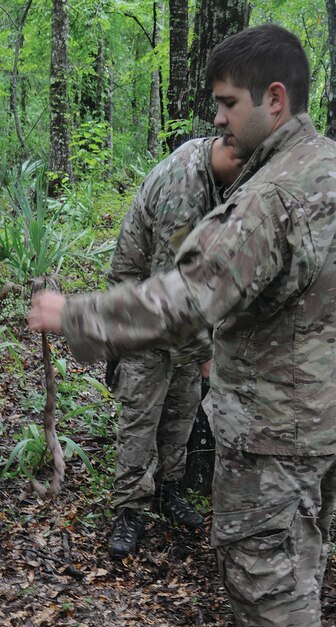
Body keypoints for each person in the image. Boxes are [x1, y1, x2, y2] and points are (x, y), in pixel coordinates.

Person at [29, 24, 336, 627]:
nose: (218, 118)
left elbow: (189, 298)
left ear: (275, 98)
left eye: (228, 102)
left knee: (264, 561)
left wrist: (76, 316)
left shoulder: (274, 195)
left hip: (278, 420)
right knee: (301, 547)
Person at [104, 137, 242, 558]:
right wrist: (205, 356)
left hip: (183, 316)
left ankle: (168, 487)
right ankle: (129, 507)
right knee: (142, 417)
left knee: (181, 407)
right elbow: (172, 286)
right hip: (142, 311)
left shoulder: (219, 179)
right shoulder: (184, 186)